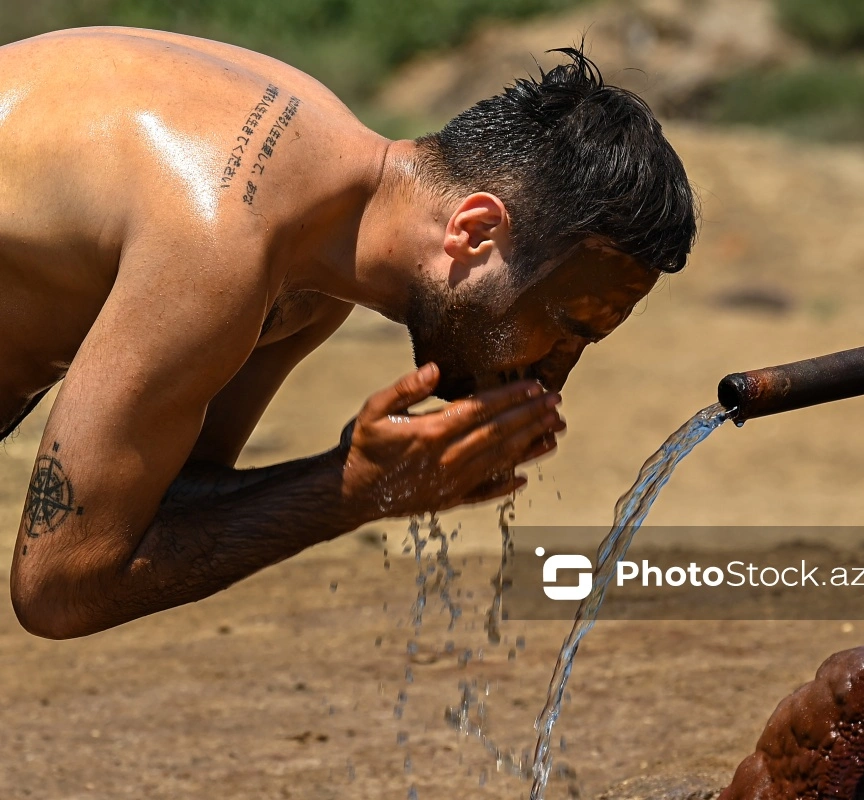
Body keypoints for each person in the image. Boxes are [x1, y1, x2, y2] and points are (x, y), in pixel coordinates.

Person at [0, 27, 697, 638]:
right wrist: (350, 491)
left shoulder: (316, 254)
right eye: (563, 328)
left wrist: (355, 483)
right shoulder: (223, 240)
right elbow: (60, 585)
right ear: (476, 231)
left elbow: (165, 501)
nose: (552, 377)